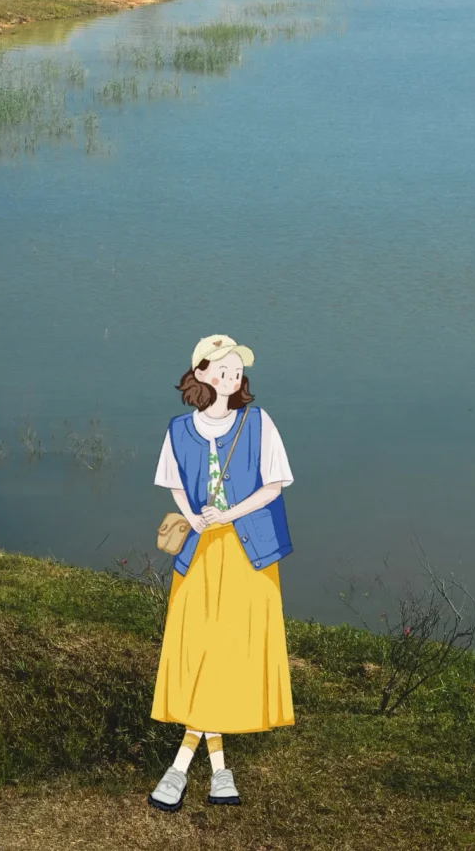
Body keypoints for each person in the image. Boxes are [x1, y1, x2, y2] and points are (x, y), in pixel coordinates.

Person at [148, 336, 294, 813]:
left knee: (230, 653)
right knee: (199, 651)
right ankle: (217, 772)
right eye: (223, 369)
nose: (232, 376)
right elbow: (174, 485)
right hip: (199, 553)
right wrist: (193, 518)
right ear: (202, 374)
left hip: (248, 554)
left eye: (237, 370)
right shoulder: (177, 429)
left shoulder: (258, 421)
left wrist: (228, 516)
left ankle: (180, 767)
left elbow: (274, 486)